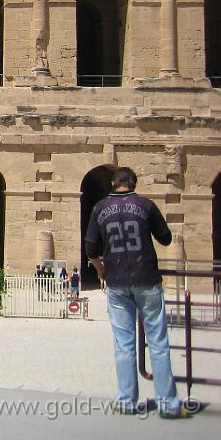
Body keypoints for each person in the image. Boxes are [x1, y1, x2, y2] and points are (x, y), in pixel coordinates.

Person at [84, 167, 189, 419]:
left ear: (113, 183)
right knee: (158, 343)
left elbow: (90, 247)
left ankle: (127, 400)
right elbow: (165, 238)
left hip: (117, 282)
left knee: (124, 344)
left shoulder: (99, 208)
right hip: (147, 279)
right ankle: (169, 404)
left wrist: (100, 268)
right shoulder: (146, 205)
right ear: (134, 183)